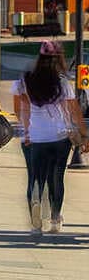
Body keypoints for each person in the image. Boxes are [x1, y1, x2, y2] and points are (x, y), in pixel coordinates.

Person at [16, 40, 89, 235]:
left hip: (35, 137)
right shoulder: (62, 82)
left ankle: (36, 220)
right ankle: (56, 219)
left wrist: (26, 130)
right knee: (56, 178)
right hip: (59, 137)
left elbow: (20, 108)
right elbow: (74, 111)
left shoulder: (26, 79)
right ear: (59, 59)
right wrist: (84, 135)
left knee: (35, 178)